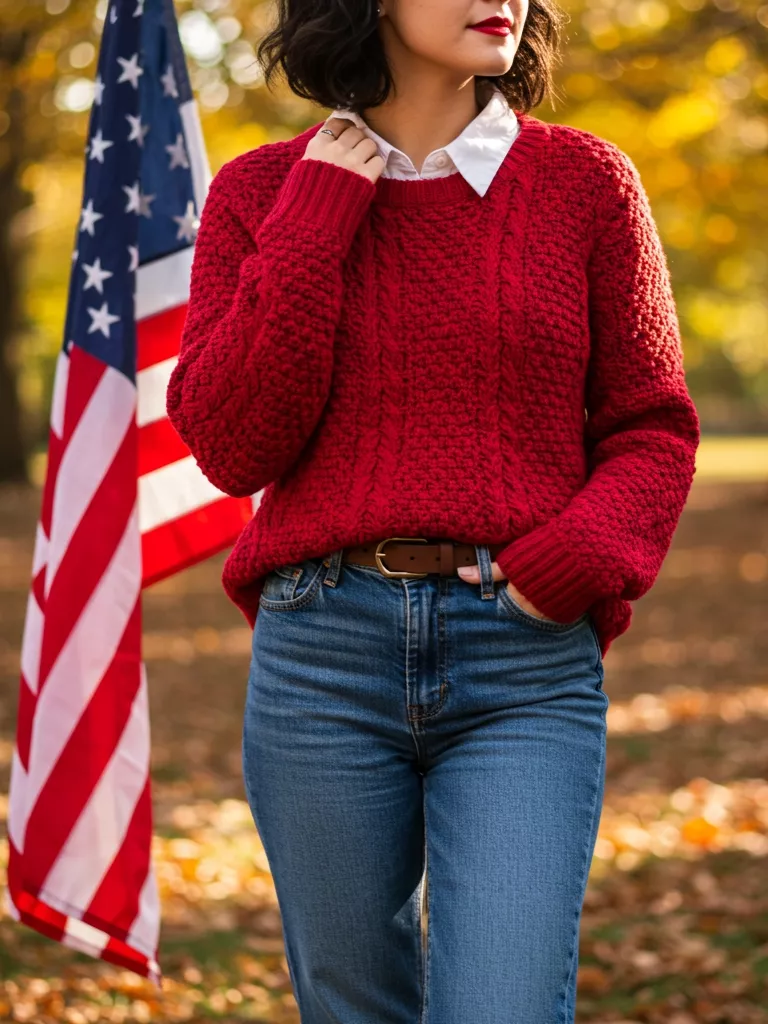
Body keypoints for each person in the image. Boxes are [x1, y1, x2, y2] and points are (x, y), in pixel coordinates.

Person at [165, 0, 701, 1020]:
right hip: (321, 659)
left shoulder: (587, 183)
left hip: (522, 665)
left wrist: (570, 565)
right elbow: (234, 445)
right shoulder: (263, 193)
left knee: (500, 1002)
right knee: (352, 1005)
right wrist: (318, 214)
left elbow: (653, 427)